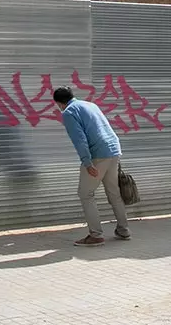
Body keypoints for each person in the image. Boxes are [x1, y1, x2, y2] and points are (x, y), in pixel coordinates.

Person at [53, 86, 132, 246]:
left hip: (98, 154)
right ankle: (124, 230)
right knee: (114, 192)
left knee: (85, 193)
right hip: (113, 149)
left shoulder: (68, 112)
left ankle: (96, 235)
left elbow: (79, 139)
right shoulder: (90, 105)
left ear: (59, 103)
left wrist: (87, 162)